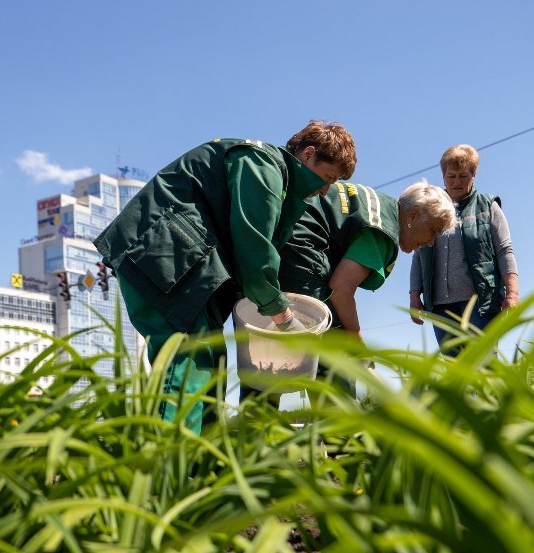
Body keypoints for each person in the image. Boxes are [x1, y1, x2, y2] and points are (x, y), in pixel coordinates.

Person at [94, 121, 357, 432]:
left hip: (185, 264)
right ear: (309, 154)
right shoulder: (262, 165)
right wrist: (286, 319)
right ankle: (167, 466)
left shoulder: (280, 181)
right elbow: (254, 247)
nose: (325, 189)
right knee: (188, 358)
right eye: (327, 178)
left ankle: (202, 464)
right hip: (164, 255)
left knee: (209, 360)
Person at [240, 179, 455, 402]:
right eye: (433, 231)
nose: (431, 242)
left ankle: (253, 426)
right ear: (412, 216)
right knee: (333, 352)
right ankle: (338, 431)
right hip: (301, 261)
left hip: (269, 250)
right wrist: (355, 337)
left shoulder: (377, 206)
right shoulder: (383, 230)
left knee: (266, 355)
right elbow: (340, 289)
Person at [409, 144, 519, 354]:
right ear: (443, 177)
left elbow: (505, 250)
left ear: (474, 175)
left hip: (481, 302)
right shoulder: (430, 210)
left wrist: (512, 293)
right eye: (451, 176)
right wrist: (415, 296)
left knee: (483, 362)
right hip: (441, 305)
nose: (457, 182)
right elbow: (418, 255)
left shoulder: (488, 206)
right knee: (453, 367)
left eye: (463, 176)